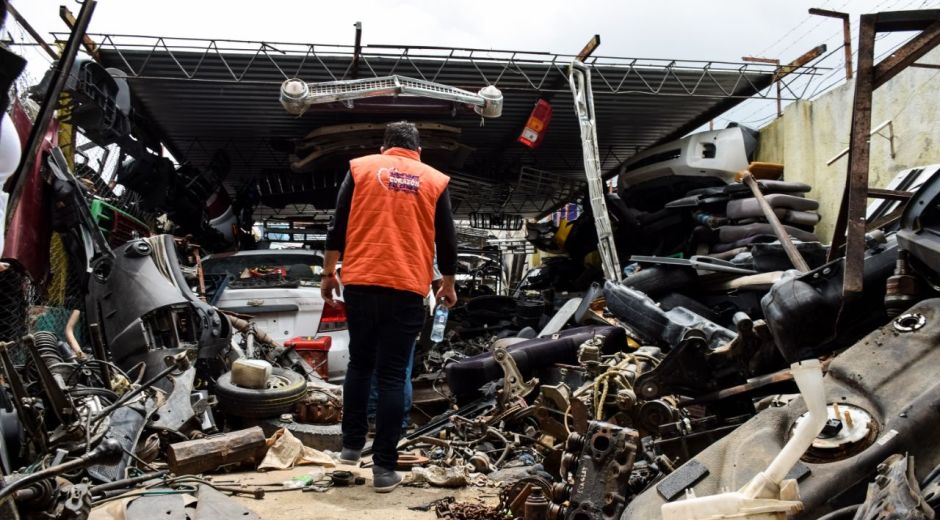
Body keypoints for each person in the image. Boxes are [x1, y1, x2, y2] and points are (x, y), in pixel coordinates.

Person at [321, 121, 457, 493]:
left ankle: (349, 451)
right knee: (394, 375)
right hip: (407, 289)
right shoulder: (434, 179)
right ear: (418, 151)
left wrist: (329, 273)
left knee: (360, 365)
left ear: (384, 148)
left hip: (362, 284)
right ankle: (383, 469)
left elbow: (337, 226)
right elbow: (446, 237)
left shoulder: (360, 169)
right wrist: (447, 283)